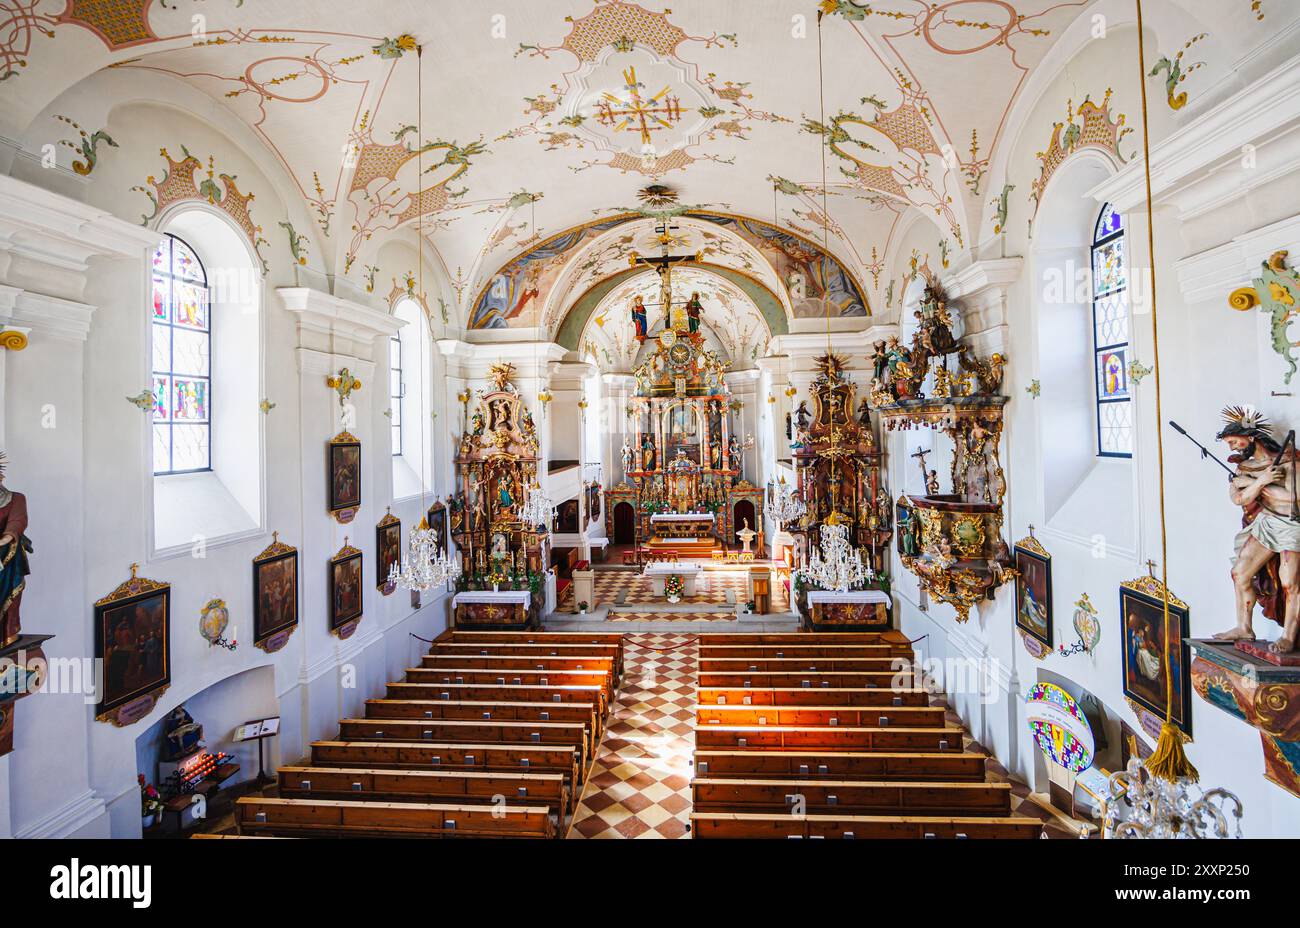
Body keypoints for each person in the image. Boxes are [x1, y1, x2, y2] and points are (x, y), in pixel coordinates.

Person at [1213, 405, 1300, 652]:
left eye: (1233, 442)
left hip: (1291, 525)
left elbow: (1293, 499)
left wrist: (1251, 485)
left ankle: (1288, 636)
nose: (1232, 448)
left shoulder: (1288, 460)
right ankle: (1244, 627)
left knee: (1290, 582)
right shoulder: (1245, 468)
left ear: (1250, 438)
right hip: (1266, 523)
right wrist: (1260, 481)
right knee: (1239, 573)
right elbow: (1239, 499)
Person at [0, 452, 31, 647]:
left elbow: (17, 522)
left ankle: (6, 633)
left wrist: (5, 539)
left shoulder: (15, 499)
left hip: (7, 557)